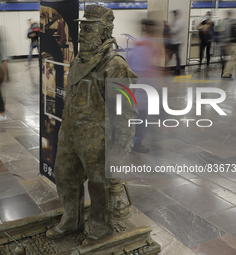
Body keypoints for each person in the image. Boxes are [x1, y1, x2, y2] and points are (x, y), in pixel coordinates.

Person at [45, 5, 138, 241]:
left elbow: (126, 111)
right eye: (81, 28)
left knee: (99, 188)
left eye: (89, 28)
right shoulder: (79, 60)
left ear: (104, 33)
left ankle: (100, 229)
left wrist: (119, 147)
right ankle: (71, 221)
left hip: (98, 138)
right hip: (71, 135)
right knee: (65, 177)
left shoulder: (115, 65)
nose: (82, 33)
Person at [128, 19, 163, 153]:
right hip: (143, 89)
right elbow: (142, 70)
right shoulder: (144, 45)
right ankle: (136, 142)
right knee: (141, 117)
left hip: (142, 89)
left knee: (142, 117)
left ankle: (136, 139)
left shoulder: (143, 43)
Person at [166, 10, 184, 75]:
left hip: (177, 42)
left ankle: (177, 70)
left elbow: (175, 30)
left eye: (174, 15)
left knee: (176, 56)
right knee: (172, 56)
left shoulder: (180, 22)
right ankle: (176, 69)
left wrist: (169, 25)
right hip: (173, 42)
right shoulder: (174, 22)